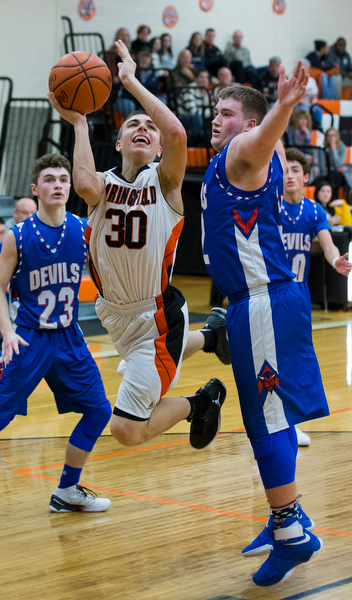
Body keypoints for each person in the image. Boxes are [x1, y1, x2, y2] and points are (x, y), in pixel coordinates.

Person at [48, 41, 229, 455]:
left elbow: (178, 132)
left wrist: (129, 81)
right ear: (118, 143)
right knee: (138, 366)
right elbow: (83, 184)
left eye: (150, 126)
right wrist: (79, 122)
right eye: (133, 125)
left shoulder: (164, 185)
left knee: (126, 430)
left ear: (160, 148)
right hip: (114, 316)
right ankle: (213, 335)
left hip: (157, 316)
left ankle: (201, 401)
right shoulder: (103, 184)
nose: (142, 128)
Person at [201, 63, 329, 586]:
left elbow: (260, 140)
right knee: (270, 415)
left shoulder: (243, 152)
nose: (216, 119)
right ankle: (287, 515)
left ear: (249, 123)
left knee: (267, 422)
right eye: (215, 111)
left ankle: (291, 533)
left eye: (227, 113)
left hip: (261, 302)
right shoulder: (256, 156)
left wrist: (281, 108)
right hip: (260, 302)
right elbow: (267, 144)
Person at [0, 153, 112, 512]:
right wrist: (6, 333)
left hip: (68, 336)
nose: (58, 185)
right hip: (29, 337)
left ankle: (67, 489)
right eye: (49, 180)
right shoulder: (17, 237)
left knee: (98, 410)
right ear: (36, 189)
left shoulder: (82, 229)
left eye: (63, 179)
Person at [281, 149, 351, 444]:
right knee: (270, 363)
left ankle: (291, 422)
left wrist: (335, 260)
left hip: (298, 296)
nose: (289, 175)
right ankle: (268, 425)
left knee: (296, 362)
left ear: (306, 177)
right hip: (270, 293)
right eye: (285, 169)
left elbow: (327, 243)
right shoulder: (270, 207)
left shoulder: (313, 211)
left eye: (295, 170)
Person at [294, 59, 323, 130]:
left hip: (310, 103)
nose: (305, 70)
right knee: (305, 110)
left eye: (306, 68)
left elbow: (315, 95)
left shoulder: (312, 80)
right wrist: (306, 102)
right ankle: (306, 129)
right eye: (303, 68)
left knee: (318, 109)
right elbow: (296, 96)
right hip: (300, 103)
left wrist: (313, 103)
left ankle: (317, 127)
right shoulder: (295, 80)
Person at [324, 127, 352, 191]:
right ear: (326, 137)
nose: (331, 138)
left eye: (333, 135)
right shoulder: (323, 149)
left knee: (337, 176)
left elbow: (338, 165)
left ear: (337, 137)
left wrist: (334, 149)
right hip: (327, 173)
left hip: (337, 175)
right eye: (329, 136)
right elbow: (322, 167)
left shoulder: (342, 148)